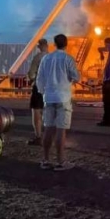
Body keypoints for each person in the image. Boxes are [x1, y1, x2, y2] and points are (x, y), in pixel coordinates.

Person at [35, 34, 79, 171]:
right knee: (61, 129)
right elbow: (76, 77)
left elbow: (39, 79)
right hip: (63, 98)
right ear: (66, 44)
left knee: (48, 129)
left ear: (54, 44)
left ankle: (45, 160)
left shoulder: (46, 58)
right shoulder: (68, 59)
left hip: (48, 97)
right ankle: (60, 162)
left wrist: (44, 93)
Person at [27, 38, 49, 146]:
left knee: (36, 112)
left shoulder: (38, 58)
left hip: (39, 88)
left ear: (39, 46)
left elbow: (31, 74)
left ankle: (38, 137)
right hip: (51, 89)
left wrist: (31, 78)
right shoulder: (52, 58)